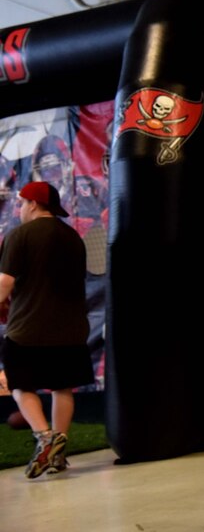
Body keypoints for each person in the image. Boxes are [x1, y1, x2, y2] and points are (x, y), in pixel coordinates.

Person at [0, 181, 92, 478]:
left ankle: (44, 437)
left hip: (28, 330)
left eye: (21, 203)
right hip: (71, 329)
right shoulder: (73, 237)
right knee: (62, 388)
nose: (19, 208)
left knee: (19, 386)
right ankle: (57, 454)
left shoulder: (21, 235)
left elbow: (4, 284)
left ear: (34, 204)